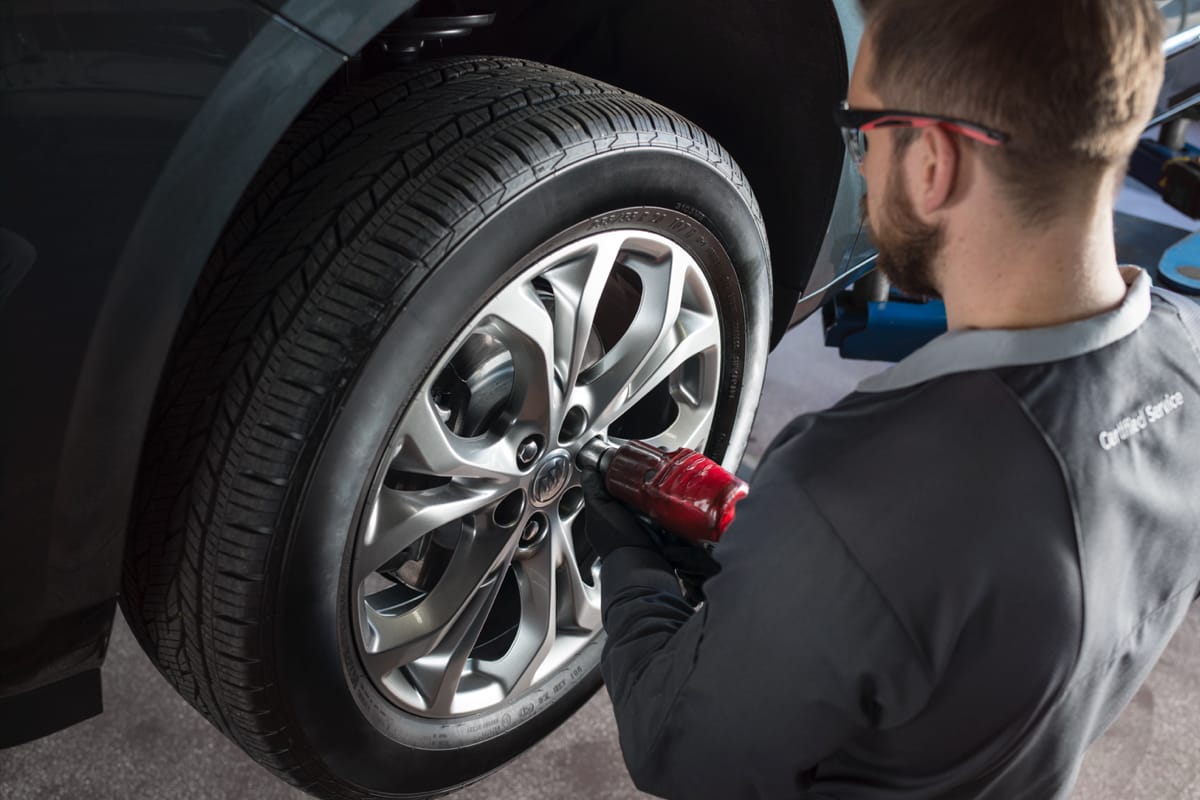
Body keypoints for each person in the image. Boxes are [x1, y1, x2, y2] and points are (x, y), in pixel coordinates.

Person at [580, 1, 1200, 797]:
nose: (863, 169)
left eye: (859, 132)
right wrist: (797, 572)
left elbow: (675, 748)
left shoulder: (850, 488)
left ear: (934, 164)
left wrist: (629, 563)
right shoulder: (1185, 360)